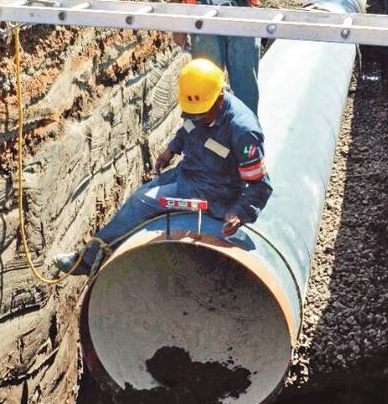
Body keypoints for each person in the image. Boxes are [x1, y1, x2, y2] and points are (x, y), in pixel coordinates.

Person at [52, 58, 274, 275]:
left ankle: (87, 261)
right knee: (139, 195)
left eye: (203, 114)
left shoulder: (243, 130)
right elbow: (188, 127)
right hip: (188, 173)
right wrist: (172, 149)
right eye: (193, 113)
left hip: (213, 193)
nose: (199, 118)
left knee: (140, 203)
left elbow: (260, 185)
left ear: (220, 96)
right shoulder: (199, 109)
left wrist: (240, 212)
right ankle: (101, 252)